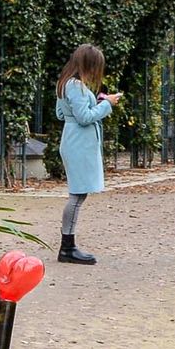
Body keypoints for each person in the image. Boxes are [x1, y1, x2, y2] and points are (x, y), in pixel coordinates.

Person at [54, 43, 120, 265]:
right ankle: (67, 247)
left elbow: (61, 114)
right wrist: (106, 104)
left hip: (72, 139)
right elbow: (84, 117)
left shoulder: (65, 84)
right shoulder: (76, 86)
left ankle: (68, 245)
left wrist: (96, 103)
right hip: (78, 143)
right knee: (77, 194)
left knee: (78, 194)